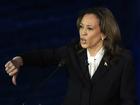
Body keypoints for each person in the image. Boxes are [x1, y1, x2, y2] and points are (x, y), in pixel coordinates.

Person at [5, 7, 136, 105]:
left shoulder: (123, 59)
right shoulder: (73, 52)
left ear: (104, 33)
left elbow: (128, 100)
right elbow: (45, 56)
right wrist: (20, 60)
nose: (82, 33)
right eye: (81, 27)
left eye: (89, 28)